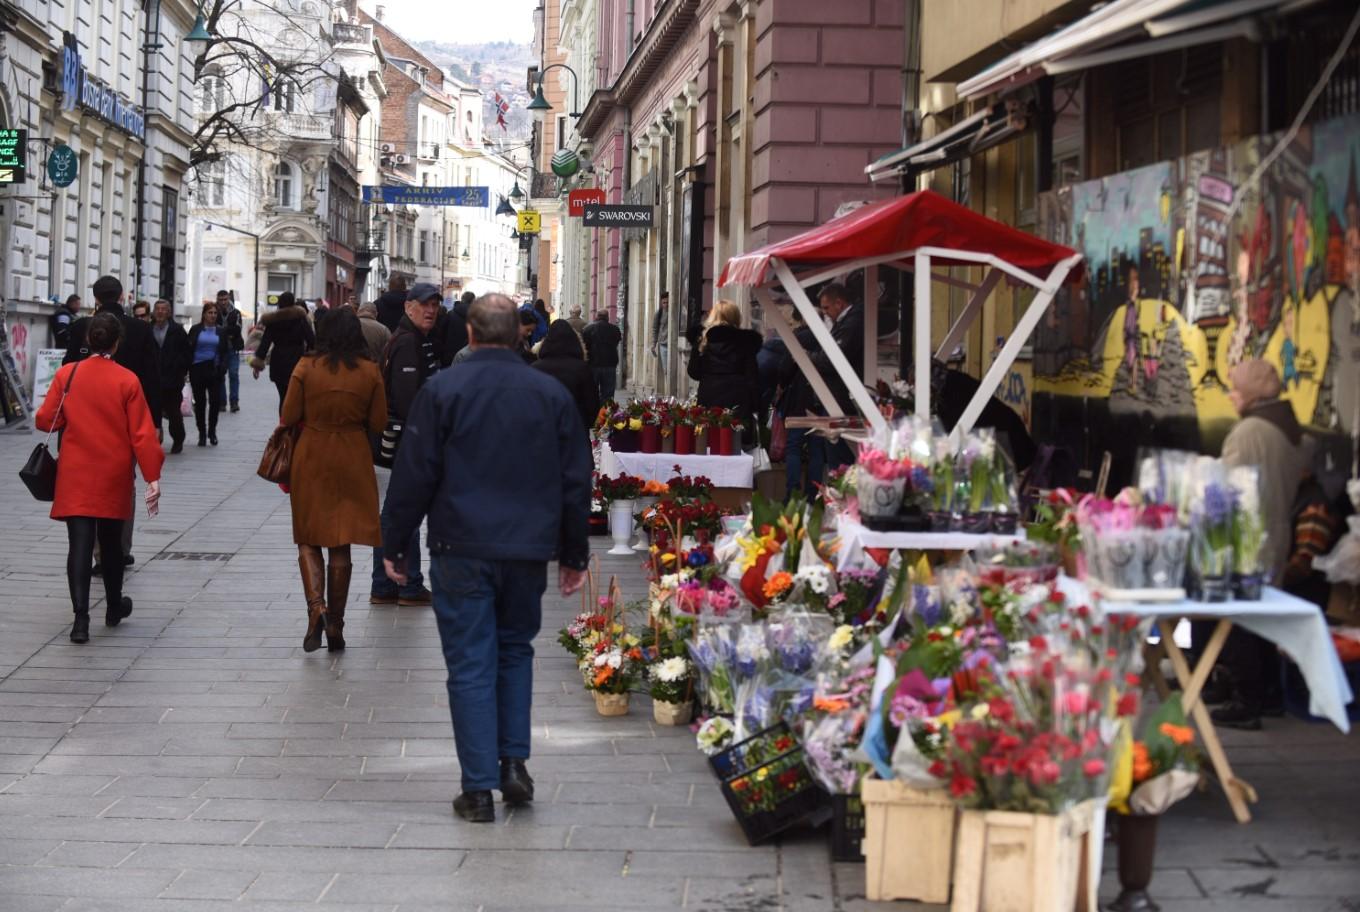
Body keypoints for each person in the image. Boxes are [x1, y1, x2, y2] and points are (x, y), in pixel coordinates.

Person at [381, 293, 591, 823]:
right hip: (526, 549)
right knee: (515, 651)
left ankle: (477, 790)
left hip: (461, 546)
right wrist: (573, 551)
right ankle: (513, 764)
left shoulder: (442, 390)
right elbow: (574, 477)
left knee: (471, 663)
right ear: (520, 334)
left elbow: (414, 474)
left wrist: (396, 544)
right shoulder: (549, 393)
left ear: (470, 335)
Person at [35, 313, 164, 644]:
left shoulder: (67, 375)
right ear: (116, 343)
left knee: (79, 544)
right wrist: (152, 476)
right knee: (111, 544)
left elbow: (44, 419)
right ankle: (113, 607)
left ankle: (80, 619)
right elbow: (142, 435)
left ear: (88, 341)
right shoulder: (127, 381)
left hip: (75, 469)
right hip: (113, 471)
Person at [1211, 358, 1311, 731]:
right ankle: (1269, 695)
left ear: (1251, 393)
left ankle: (1246, 700)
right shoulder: (1287, 428)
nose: (1230, 394)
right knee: (1263, 618)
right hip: (1275, 532)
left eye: (1235, 388)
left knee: (1241, 621)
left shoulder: (1250, 431)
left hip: (1248, 536)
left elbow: (1227, 488)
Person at [281, 308, 387, 653]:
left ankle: (317, 608)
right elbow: (379, 422)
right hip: (353, 454)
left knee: (309, 536)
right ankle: (336, 626)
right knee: (341, 542)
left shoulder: (306, 367)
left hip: (312, 452)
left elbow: (289, 415)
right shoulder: (370, 371)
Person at [65, 276, 161, 569]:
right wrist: (155, 421)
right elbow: (152, 378)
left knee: (88, 486)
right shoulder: (141, 329)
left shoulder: (80, 327)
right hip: (127, 420)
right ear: (122, 296)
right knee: (124, 483)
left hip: (82, 423)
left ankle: (97, 552)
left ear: (95, 298)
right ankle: (120, 547)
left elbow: (68, 372)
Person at [371, 283, 442, 607]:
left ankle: (386, 584)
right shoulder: (409, 343)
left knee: (395, 512)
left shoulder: (412, 339)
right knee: (404, 512)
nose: (431, 310)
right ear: (408, 307)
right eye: (425, 304)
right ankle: (407, 584)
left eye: (435, 305)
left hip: (405, 440)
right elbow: (408, 398)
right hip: (408, 441)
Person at [808, 283, 865, 467]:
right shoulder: (845, 323)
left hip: (840, 398)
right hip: (838, 396)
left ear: (839, 303)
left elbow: (832, 359)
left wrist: (811, 357)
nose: (825, 313)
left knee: (838, 457)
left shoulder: (851, 324)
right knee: (835, 451)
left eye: (826, 308)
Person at [686, 300, 763, 435]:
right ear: (736, 317)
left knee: (709, 440)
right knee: (735, 443)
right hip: (738, 399)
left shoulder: (703, 341)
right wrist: (756, 405)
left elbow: (694, 372)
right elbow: (752, 378)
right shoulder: (746, 342)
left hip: (709, 396)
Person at [777, 309, 829, 498]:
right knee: (817, 450)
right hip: (821, 400)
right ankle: (812, 494)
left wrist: (782, 384)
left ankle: (792, 493)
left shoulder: (799, 337)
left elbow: (784, 370)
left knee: (794, 448)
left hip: (799, 401)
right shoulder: (828, 337)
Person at [250, 292, 316, 409]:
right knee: (296, 397)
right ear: (293, 303)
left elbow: (265, 343)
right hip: (297, 361)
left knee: (283, 396)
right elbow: (311, 340)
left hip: (278, 361)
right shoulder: (300, 319)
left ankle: (283, 423)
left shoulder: (273, 321)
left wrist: (257, 365)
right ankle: (294, 424)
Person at [532, 319, 600, 430]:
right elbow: (592, 402)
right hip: (575, 428)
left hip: (544, 431)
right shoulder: (581, 368)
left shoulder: (535, 368)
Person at [187, 301, 230, 447]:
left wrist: (223, 367)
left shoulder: (221, 331)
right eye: (210, 313)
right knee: (200, 403)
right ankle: (202, 433)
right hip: (197, 368)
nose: (212, 316)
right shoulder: (196, 329)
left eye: (214, 313)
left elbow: (225, 352)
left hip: (214, 369)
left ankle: (212, 431)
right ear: (204, 314)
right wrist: (187, 368)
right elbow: (188, 348)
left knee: (214, 402)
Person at [151, 300, 191, 454]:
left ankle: (178, 438)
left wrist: (179, 368)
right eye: (158, 309)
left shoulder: (177, 330)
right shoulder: (148, 330)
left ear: (168, 312)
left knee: (173, 412)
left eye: (163, 309)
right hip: (153, 379)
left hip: (173, 380)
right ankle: (156, 438)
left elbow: (186, 353)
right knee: (154, 412)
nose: (160, 312)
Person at [214, 290, 245, 413]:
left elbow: (237, 329)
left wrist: (222, 331)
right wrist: (227, 331)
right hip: (219, 348)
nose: (223, 302)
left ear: (229, 299)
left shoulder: (235, 312)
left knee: (233, 374)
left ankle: (234, 402)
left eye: (225, 299)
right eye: (220, 300)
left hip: (233, 348)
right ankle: (222, 402)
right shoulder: (214, 312)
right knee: (220, 375)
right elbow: (212, 327)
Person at [581, 310, 620, 401]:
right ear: (608, 317)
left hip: (593, 364)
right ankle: (606, 413)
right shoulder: (615, 329)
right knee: (608, 394)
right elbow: (617, 341)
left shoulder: (587, 329)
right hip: (610, 364)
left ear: (596, 316)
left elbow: (585, 345)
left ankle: (593, 413)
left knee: (592, 392)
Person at [442, 290, 474, 367]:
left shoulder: (450, 314)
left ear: (462, 299)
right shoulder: (475, 317)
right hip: (468, 356)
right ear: (473, 301)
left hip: (449, 355)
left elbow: (442, 334)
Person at [651, 292, 669, 374]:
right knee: (666, 370)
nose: (666, 304)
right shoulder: (659, 314)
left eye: (667, 302)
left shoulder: (675, 312)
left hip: (673, 344)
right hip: (663, 344)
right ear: (661, 303)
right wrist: (654, 344)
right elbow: (654, 329)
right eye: (664, 303)